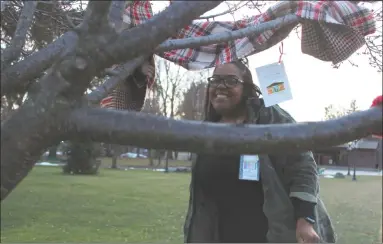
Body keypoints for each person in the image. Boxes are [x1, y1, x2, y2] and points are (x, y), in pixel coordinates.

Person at [183, 58, 335, 243]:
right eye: (215, 80)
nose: (220, 86)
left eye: (231, 81)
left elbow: (302, 165)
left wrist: (305, 220)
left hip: (268, 235)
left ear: (246, 88)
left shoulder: (269, 118)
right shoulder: (207, 131)